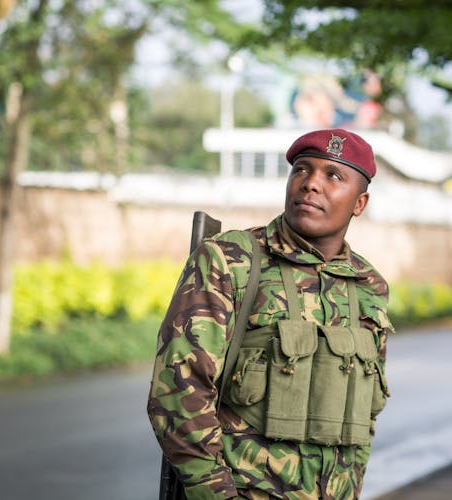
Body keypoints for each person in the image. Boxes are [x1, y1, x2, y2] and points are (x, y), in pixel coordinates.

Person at [147, 128, 393, 499]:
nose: (311, 184)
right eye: (301, 170)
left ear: (360, 203)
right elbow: (179, 393)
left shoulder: (368, 287)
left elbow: (364, 417)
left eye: (333, 176)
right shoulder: (233, 261)